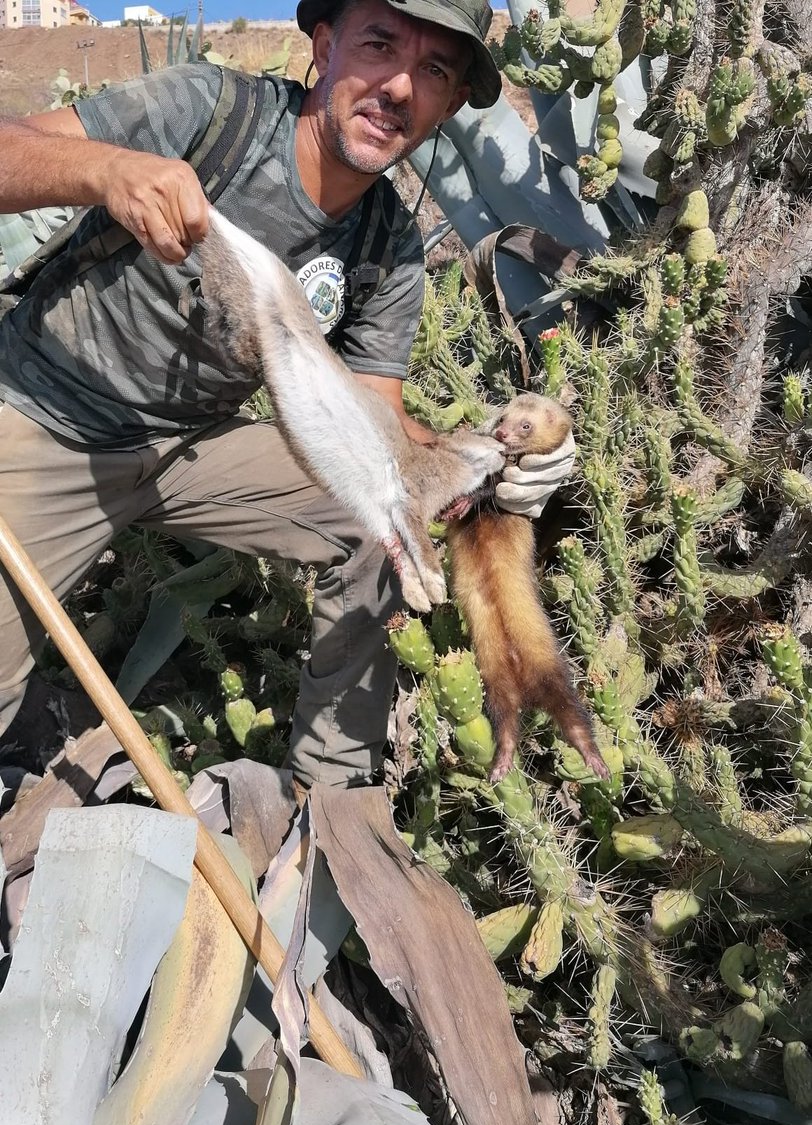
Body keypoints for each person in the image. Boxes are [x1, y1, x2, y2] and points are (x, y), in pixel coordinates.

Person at [0, 0, 575, 790]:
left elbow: (379, 420)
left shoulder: (389, 244)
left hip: (192, 446)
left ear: (446, 108)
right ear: (327, 44)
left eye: (435, 71)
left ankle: (331, 804)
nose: (402, 86)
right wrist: (108, 170)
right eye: (380, 45)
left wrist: (491, 463)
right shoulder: (214, 114)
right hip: (49, 421)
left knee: (381, 527)